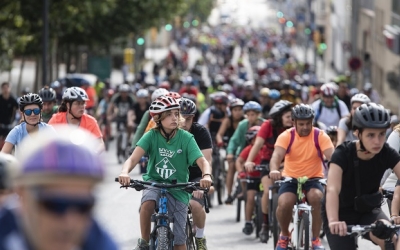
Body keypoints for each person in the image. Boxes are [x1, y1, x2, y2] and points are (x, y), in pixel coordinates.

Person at [0, 127, 119, 250]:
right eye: (55, 205)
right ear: (22, 197)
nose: (70, 223)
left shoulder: (96, 239)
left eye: (83, 206)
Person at [118, 95, 212, 250]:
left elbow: (203, 161)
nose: (174, 118)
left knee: (180, 243)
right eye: (169, 114)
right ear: (158, 118)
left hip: (179, 189)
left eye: (176, 114)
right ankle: (144, 242)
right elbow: (133, 159)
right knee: (147, 204)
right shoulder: (151, 135)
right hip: (154, 183)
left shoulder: (186, 138)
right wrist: (125, 173)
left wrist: (206, 175)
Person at [323, 103, 400, 250]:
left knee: (392, 238)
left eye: (382, 134)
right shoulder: (342, 154)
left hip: (368, 208)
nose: (377, 141)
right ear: (358, 133)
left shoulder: (387, 152)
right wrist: (333, 220)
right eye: (371, 135)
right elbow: (332, 190)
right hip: (339, 212)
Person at [270, 104, 334, 250]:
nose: (305, 127)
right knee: (285, 202)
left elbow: (333, 157)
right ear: (294, 123)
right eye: (301, 124)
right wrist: (274, 169)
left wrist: (338, 173)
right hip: (290, 178)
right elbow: (276, 156)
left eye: (308, 123)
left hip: (314, 178)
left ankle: (315, 239)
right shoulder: (286, 136)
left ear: (313, 121)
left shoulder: (320, 135)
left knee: (317, 198)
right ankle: (284, 236)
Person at [244, 100, 293, 243]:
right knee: (267, 190)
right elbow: (258, 144)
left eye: (292, 117)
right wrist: (249, 161)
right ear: (278, 117)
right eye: (288, 117)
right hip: (267, 162)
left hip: (288, 163)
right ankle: (265, 223)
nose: (292, 120)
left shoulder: (294, 128)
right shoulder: (267, 125)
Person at [179, 98, 212, 250]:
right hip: (174, 176)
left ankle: (199, 237)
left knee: (194, 205)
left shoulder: (201, 132)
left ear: (193, 118)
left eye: (188, 118)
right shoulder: (167, 132)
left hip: (195, 177)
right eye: (180, 117)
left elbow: (206, 161)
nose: (184, 123)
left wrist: (204, 181)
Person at [48, 87, 104, 151]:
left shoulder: (91, 121)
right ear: (68, 105)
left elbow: (100, 144)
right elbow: (46, 141)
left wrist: (94, 153)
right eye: (77, 103)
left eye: (83, 103)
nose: (82, 107)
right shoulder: (56, 119)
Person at [216, 98, 245, 204]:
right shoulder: (228, 120)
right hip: (230, 148)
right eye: (235, 110)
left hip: (243, 148)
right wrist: (220, 141)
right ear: (231, 111)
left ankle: (244, 189)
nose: (238, 112)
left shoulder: (245, 121)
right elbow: (220, 134)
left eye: (240, 110)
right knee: (231, 167)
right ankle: (229, 194)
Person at [236, 126, 264, 236]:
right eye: (254, 139)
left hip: (264, 177)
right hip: (252, 177)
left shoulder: (266, 149)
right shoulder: (248, 149)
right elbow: (239, 161)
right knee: (250, 198)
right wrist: (240, 171)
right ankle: (248, 222)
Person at [0, 82, 18, 149]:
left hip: (9, 124)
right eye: (4, 88)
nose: (6, 89)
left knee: (9, 143)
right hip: (1, 124)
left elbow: (18, 109)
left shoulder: (13, 99)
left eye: (7, 88)